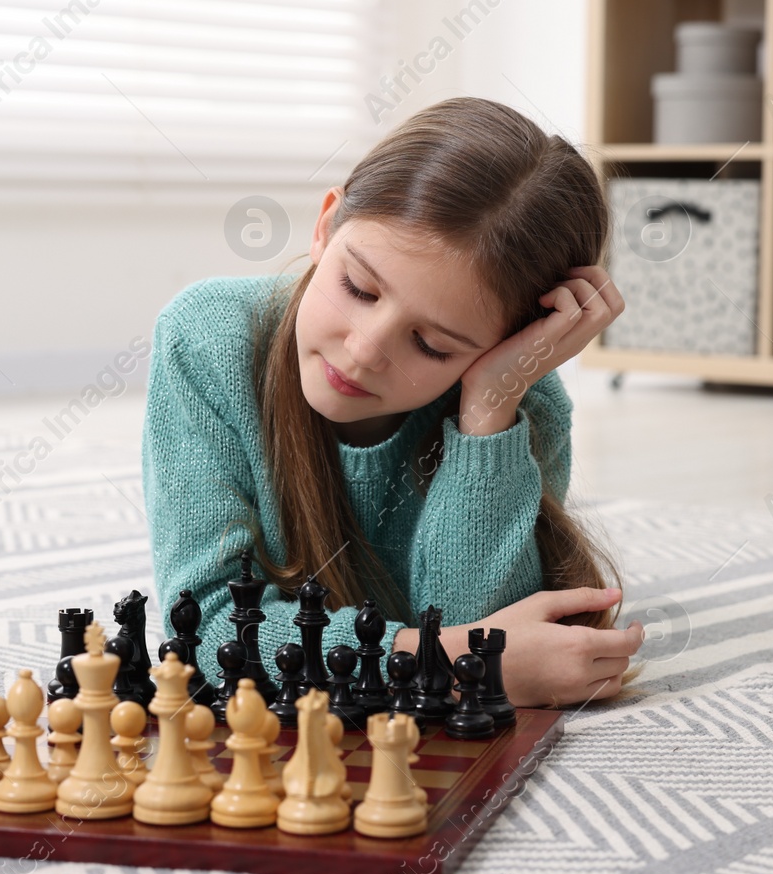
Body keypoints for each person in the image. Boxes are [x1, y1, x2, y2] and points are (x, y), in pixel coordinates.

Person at [142, 97, 643, 708]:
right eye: (358, 287)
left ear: (509, 345)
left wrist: (489, 414)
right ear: (326, 225)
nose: (364, 351)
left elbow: (487, 621)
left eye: (432, 345)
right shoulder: (204, 340)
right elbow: (207, 633)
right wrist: (458, 665)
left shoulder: (518, 397)